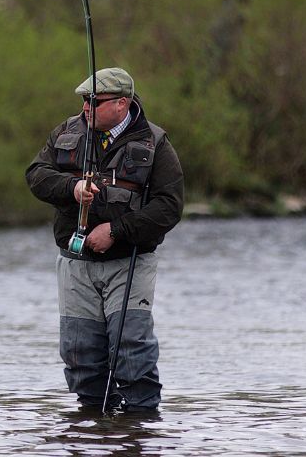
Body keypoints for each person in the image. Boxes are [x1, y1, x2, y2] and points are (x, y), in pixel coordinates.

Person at [25, 67, 184, 413]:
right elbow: (36, 176)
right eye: (84, 100)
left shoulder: (156, 144)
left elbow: (169, 208)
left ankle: (139, 428)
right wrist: (72, 187)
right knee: (80, 353)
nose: (86, 107)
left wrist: (115, 231)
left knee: (130, 347)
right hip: (75, 263)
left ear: (122, 104)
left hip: (129, 262)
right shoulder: (65, 133)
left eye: (95, 100)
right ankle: (94, 427)